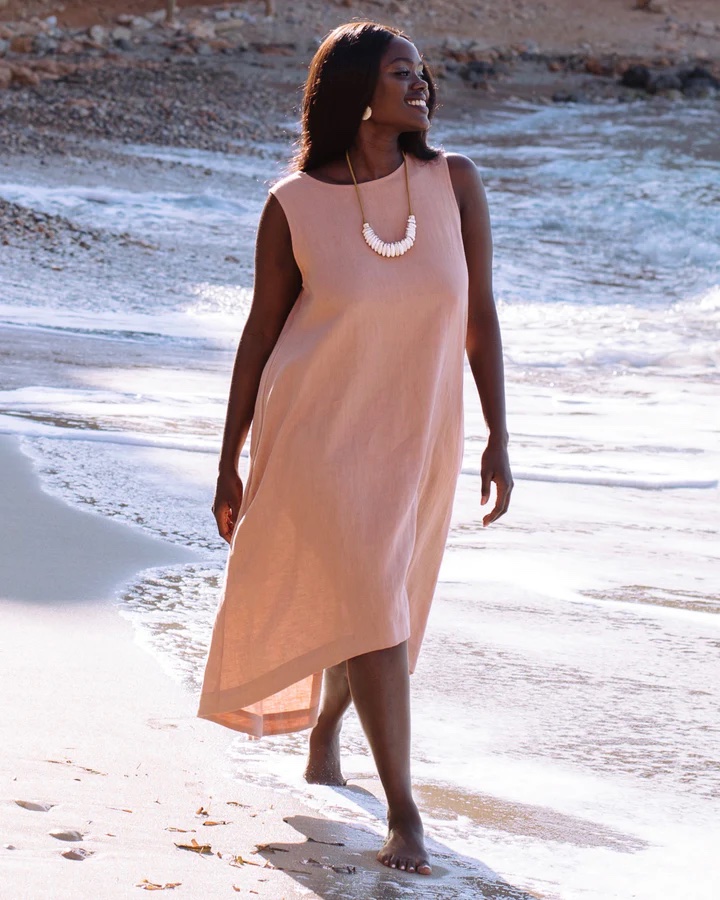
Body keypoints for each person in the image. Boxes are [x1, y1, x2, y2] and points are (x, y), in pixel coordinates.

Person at [198, 21, 512, 877]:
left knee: (385, 598)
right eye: (399, 73)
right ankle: (406, 812)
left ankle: (332, 723)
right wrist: (228, 457)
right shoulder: (293, 204)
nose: (421, 85)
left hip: (419, 433)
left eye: (421, 71)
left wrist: (499, 437)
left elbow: (480, 318)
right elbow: (260, 331)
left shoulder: (455, 183)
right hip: (316, 431)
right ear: (353, 92)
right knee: (375, 599)